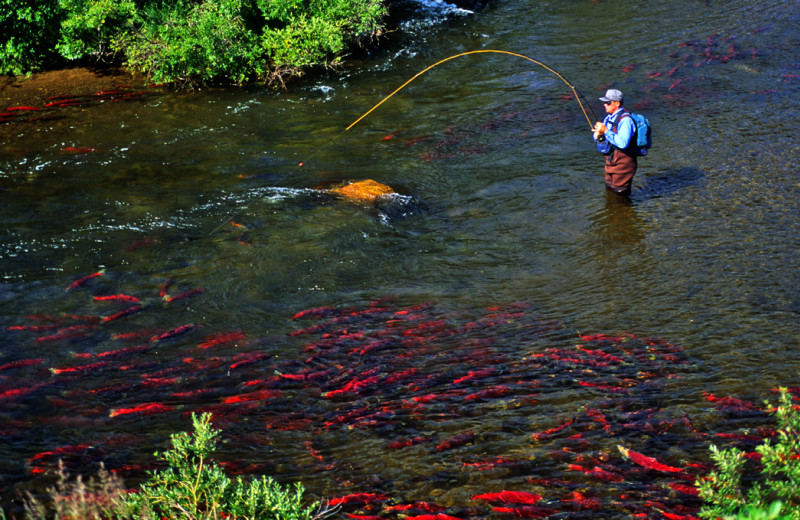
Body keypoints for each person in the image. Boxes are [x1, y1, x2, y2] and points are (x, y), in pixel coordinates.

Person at [592, 89, 637, 196]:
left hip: (623, 166)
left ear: (617, 103)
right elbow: (605, 139)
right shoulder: (608, 118)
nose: (604, 105)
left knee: (621, 197)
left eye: (608, 102)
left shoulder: (626, 120)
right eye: (604, 102)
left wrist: (606, 131)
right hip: (611, 163)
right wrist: (598, 136)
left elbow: (622, 143)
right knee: (610, 193)